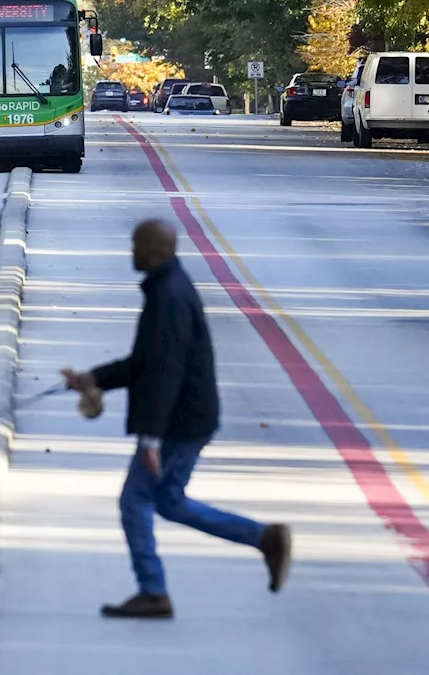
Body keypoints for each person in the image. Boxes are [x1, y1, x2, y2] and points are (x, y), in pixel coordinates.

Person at [62, 219, 292, 619]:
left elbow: (164, 373)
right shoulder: (167, 287)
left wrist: (151, 438)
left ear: (159, 251)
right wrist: (93, 379)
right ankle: (265, 538)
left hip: (178, 422)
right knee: (168, 501)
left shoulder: (168, 295)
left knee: (136, 501)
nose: (131, 252)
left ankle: (153, 591)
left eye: (138, 245)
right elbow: (145, 363)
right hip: (189, 417)